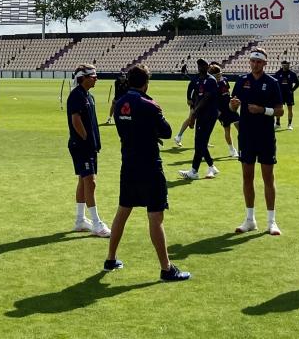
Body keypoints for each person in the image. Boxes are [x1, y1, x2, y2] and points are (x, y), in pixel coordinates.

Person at [103, 65, 190, 282]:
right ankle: (166, 268)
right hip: (150, 166)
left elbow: (127, 130)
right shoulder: (150, 105)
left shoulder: (120, 103)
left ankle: (110, 259)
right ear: (146, 83)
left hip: (129, 164)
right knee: (155, 216)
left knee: (122, 212)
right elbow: (167, 132)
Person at [229, 49, 285, 235]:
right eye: (252, 61)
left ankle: (271, 221)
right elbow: (232, 104)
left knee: (268, 177)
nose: (255, 64)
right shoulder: (242, 81)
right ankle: (249, 219)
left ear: (265, 64)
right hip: (246, 135)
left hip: (266, 135)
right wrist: (233, 105)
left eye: (258, 62)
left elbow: (280, 111)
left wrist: (262, 110)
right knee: (247, 176)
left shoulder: (272, 83)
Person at [68, 66, 110, 237]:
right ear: (83, 78)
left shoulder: (88, 95)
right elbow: (75, 119)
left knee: (83, 181)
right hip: (82, 146)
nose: (96, 78)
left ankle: (80, 220)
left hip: (88, 146)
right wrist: (85, 139)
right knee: (90, 182)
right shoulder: (77, 95)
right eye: (93, 76)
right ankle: (96, 223)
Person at [179, 59, 219, 180]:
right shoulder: (197, 80)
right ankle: (211, 167)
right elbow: (196, 97)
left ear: (207, 66)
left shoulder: (211, 80)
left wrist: (194, 114)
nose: (201, 67)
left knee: (200, 142)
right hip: (201, 114)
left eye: (203, 65)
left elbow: (206, 98)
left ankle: (194, 171)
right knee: (200, 142)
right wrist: (193, 113)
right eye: (199, 65)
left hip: (209, 115)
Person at [211, 63, 239, 158]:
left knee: (241, 128)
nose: (219, 77)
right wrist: (217, 111)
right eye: (217, 75)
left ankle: (244, 148)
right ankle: (232, 150)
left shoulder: (225, 80)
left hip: (231, 108)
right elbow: (212, 99)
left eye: (220, 74)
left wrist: (233, 101)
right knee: (227, 129)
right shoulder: (212, 84)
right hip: (222, 111)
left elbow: (228, 93)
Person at [172, 61, 202, 146]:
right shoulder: (197, 77)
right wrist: (188, 98)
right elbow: (190, 87)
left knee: (201, 120)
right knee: (190, 119)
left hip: (202, 101)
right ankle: (178, 136)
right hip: (196, 101)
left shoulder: (208, 78)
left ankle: (203, 140)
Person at [276, 60, 299, 130]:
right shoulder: (278, 73)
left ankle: (289, 124)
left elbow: (297, 83)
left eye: (287, 64)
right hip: (280, 94)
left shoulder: (292, 74)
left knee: (290, 109)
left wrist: (292, 90)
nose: (286, 66)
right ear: (282, 65)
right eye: (285, 64)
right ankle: (277, 123)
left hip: (289, 94)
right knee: (278, 108)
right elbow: (275, 83)